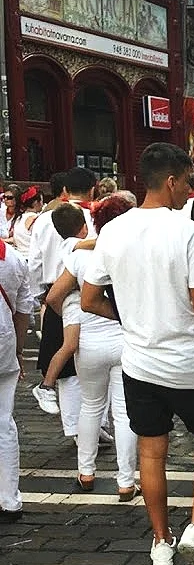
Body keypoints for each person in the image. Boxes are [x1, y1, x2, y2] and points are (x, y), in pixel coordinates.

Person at [82, 142, 194, 565]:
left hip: (140, 364)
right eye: (188, 183)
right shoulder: (187, 232)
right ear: (171, 182)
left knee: (151, 453)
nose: (190, 192)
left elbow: (90, 298)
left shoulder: (112, 231)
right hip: (188, 361)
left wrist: (127, 317)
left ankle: (160, 541)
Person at [46, 194, 138, 499]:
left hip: (90, 340)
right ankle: (126, 480)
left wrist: (70, 313)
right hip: (126, 339)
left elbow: (53, 296)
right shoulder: (134, 252)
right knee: (124, 412)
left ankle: (86, 472)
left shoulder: (80, 254)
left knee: (91, 405)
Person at [29, 166, 97, 439]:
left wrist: (40, 298)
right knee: (86, 358)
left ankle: (75, 426)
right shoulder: (95, 219)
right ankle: (91, 424)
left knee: (70, 362)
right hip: (88, 293)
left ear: (65, 191)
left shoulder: (45, 220)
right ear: (92, 188)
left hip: (53, 293)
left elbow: (34, 263)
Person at [36, 203, 87, 416]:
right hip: (68, 299)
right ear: (83, 226)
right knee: (69, 346)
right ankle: (46, 386)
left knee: (76, 352)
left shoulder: (69, 243)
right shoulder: (73, 244)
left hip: (68, 299)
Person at [0, 233, 33, 522]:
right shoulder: (13, 258)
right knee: (4, 423)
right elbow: (23, 310)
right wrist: (19, 351)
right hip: (5, 345)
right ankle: (10, 499)